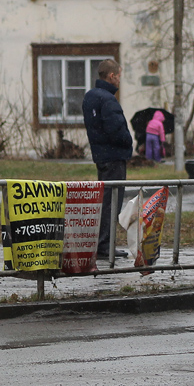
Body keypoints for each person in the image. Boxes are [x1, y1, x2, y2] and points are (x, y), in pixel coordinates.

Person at [83, 59, 132, 260]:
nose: (120, 80)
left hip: (101, 156)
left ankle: (102, 244)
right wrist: (128, 141)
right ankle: (105, 246)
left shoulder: (91, 97)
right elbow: (116, 131)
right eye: (119, 76)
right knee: (112, 203)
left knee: (105, 202)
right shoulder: (109, 100)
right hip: (114, 157)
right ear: (111, 76)